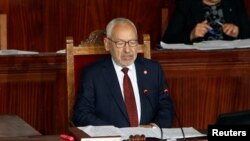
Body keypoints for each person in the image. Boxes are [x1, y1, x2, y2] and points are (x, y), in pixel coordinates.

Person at [72, 17, 174, 128]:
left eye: (132, 42)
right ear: (107, 44)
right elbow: (81, 114)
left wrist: (153, 127)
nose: (127, 50)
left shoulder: (153, 70)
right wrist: (115, 132)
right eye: (120, 43)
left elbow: (166, 107)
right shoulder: (93, 74)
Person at [162, 0, 250, 44]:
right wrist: (191, 35)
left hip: (230, 60)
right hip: (197, 61)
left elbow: (248, 33)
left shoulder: (234, 2)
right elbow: (168, 39)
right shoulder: (186, 3)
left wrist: (238, 32)